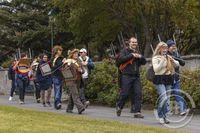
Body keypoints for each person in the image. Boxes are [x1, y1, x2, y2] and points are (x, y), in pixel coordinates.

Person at [116, 37, 146, 118]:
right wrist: (131, 55)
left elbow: (144, 62)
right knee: (125, 94)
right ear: (129, 43)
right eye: (132, 42)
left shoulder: (137, 51)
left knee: (138, 94)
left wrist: (140, 57)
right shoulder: (124, 51)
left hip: (136, 76)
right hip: (126, 75)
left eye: (135, 42)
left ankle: (137, 112)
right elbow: (119, 61)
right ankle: (119, 106)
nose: (134, 44)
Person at [152, 41, 179, 124]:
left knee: (167, 100)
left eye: (166, 48)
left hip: (168, 78)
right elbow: (156, 69)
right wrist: (162, 61)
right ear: (159, 49)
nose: (165, 50)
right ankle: (161, 116)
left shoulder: (168, 56)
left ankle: (164, 116)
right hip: (159, 78)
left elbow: (177, 65)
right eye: (163, 48)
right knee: (163, 98)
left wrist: (173, 61)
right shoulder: (155, 58)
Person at [167, 40, 187, 116]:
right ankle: (167, 110)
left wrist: (176, 58)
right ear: (168, 47)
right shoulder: (165, 54)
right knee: (167, 95)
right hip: (168, 79)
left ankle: (182, 110)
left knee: (178, 93)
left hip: (176, 78)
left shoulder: (176, 54)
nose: (174, 48)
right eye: (172, 46)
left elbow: (183, 63)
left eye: (174, 46)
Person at [65, 49, 86, 114]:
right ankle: (80, 108)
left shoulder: (79, 61)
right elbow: (66, 70)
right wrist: (67, 66)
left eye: (77, 53)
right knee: (76, 94)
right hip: (71, 80)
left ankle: (69, 108)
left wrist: (81, 71)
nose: (76, 55)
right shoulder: (69, 61)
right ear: (72, 55)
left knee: (72, 95)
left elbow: (83, 70)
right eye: (75, 53)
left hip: (78, 80)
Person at [51, 45, 66, 109]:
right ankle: (57, 102)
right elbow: (54, 68)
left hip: (61, 75)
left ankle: (57, 103)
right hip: (55, 76)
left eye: (61, 50)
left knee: (59, 90)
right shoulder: (53, 59)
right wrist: (61, 63)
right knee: (57, 88)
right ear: (56, 51)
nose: (61, 51)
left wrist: (65, 62)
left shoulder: (61, 58)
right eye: (59, 50)